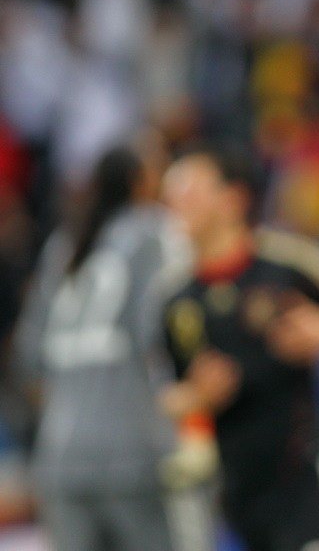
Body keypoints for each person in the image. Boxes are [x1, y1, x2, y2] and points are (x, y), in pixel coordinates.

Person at [158, 144, 319, 551]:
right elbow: (165, 396)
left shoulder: (288, 266)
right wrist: (197, 395)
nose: (177, 204)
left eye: (190, 190)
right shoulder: (176, 299)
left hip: (304, 479)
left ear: (233, 199)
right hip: (234, 494)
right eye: (171, 195)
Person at [15, 140, 189, 551]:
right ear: (140, 181)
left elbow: (29, 354)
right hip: (131, 447)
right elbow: (164, 333)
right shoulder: (157, 232)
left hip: (60, 453)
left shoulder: (64, 245)